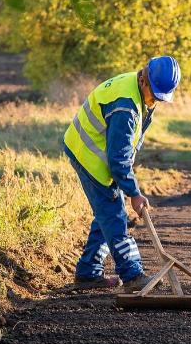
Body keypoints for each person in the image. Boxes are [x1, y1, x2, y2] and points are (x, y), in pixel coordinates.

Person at [63, 56, 180, 291]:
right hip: (89, 154)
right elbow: (118, 159)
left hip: (98, 151)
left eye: (160, 98)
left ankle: (88, 273)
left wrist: (128, 185)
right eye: (154, 95)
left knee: (106, 214)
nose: (155, 101)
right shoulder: (125, 107)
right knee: (115, 216)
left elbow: (126, 149)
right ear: (144, 80)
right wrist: (134, 193)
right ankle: (132, 274)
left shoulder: (137, 91)